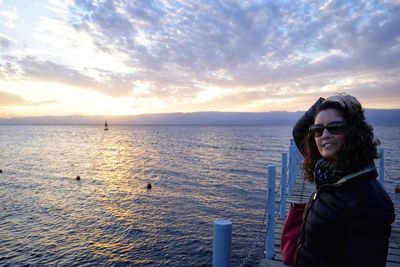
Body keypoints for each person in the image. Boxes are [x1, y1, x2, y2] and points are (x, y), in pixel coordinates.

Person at [292, 93, 395, 267]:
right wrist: (326, 102)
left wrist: (348, 109)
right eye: (318, 130)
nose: (324, 134)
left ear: (352, 132)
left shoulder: (368, 201)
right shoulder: (329, 171)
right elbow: (298, 131)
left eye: (335, 128)